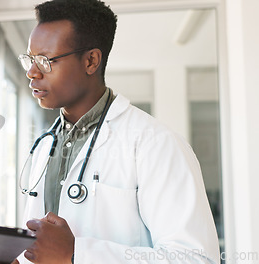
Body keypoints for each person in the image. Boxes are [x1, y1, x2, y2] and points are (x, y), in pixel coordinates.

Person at [15, 0, 220, 263]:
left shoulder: (156, 144)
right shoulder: (46, 145)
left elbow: (196, 258)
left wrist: (78, 253)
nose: (32, 72)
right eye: (30, 60)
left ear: (91, 61)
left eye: (44, 61)